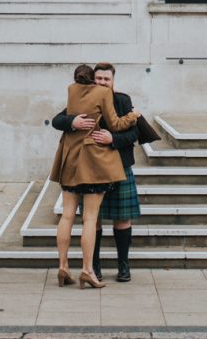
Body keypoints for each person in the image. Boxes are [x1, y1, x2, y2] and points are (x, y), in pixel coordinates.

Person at [51, 64, 139, 289]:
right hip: (91, 167)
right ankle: (92, 268)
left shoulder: (122, 99)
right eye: (98, 78)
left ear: (113, 80)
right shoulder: (84, 96)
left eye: (106, 79)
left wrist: (113, 139)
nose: (101, 82)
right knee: (93, 220)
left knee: (121, 218)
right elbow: (57, 120)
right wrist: (72, 121)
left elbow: (133, 133)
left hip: (117, 164)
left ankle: (123, 265)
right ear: (92, 79)